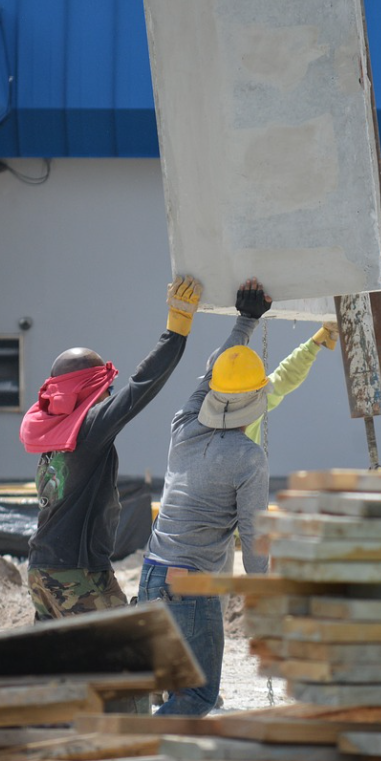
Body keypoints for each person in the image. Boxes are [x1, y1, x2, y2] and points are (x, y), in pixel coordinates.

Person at [20, 275, 202, 620]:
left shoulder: (55, 432)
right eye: (107, 389)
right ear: (92, 390)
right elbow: (141, 386)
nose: (109, 396)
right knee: (130, 640)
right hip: (77, 572)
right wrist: (176, 330)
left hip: (41, 569)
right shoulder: (89, 427)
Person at [139, 278, 274, 717]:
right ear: (258, 399)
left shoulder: (184, 423)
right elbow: (254, 541)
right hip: (190, 588)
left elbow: (213, 371)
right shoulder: (248, 458)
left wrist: (246, 320)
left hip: (151, 576)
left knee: (178, 689)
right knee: (196, 697)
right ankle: (135, 750)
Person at [245, 321, 338, 446]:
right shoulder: (249, 404)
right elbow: (285, 378)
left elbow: (285, 378)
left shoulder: (248, 404)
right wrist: (318, 340)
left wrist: (319, 338)